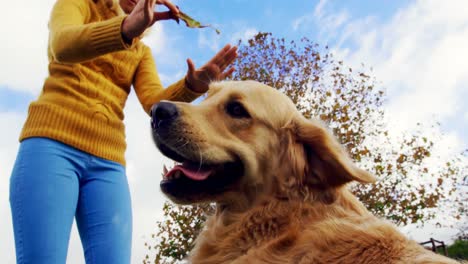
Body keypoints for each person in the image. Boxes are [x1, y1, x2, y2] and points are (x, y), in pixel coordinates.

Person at [8, 0, 238, 263]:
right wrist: (125, 29)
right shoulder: (77, 5)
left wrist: (192, 85)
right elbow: (61, 45)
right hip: (50, 144)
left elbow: (153, 102)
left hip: (108, 163)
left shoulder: (140, 51)